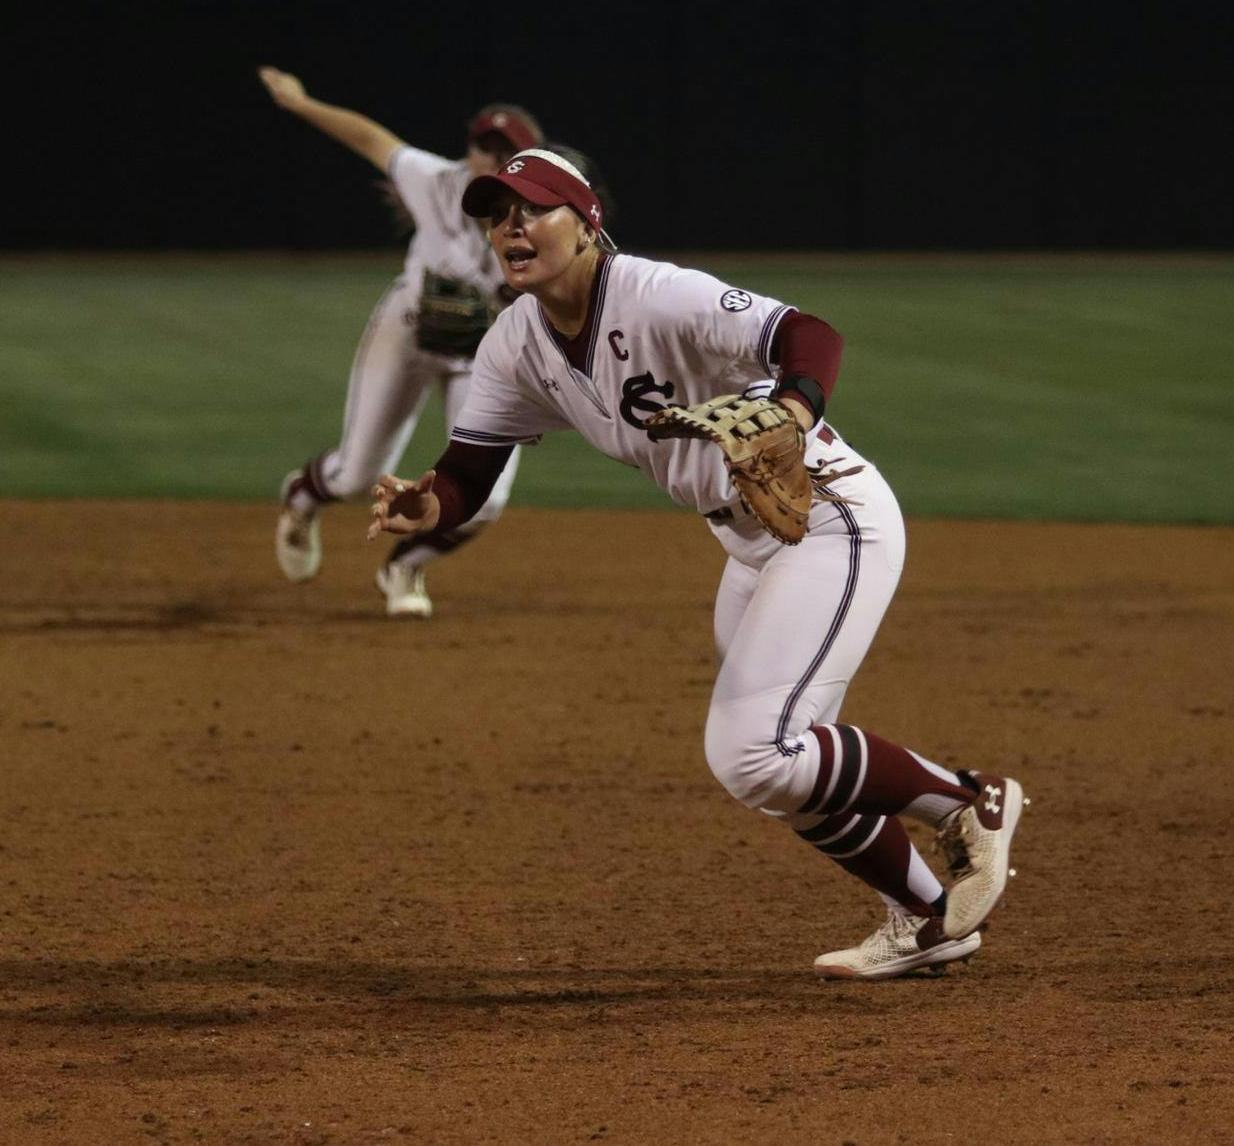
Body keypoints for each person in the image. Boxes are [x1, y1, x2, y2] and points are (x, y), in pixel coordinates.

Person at [367, 146, 1029, 979]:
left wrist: (791, 406)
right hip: (749, 545)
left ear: (587, 222)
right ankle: (932, 917)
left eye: (532, 208)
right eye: (498, 215)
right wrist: (427, 508)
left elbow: (808, 335)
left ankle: (968, 801)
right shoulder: (516, 343)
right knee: (781, 765)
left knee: (751, 748)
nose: (512, 227)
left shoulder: (654, 292)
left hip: (832, 516)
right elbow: (467, 472)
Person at [257, 66, 543, 617]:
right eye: (484, 146)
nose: (490, 157)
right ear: (470, 149)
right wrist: (300, 102)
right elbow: (368, 137)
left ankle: (404, 566)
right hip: (408, 332)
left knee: (485, 500)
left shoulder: (542, 220)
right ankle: (304, 494)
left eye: (503, 150)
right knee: (355, 475)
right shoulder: (434, 182)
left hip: (483, 358)